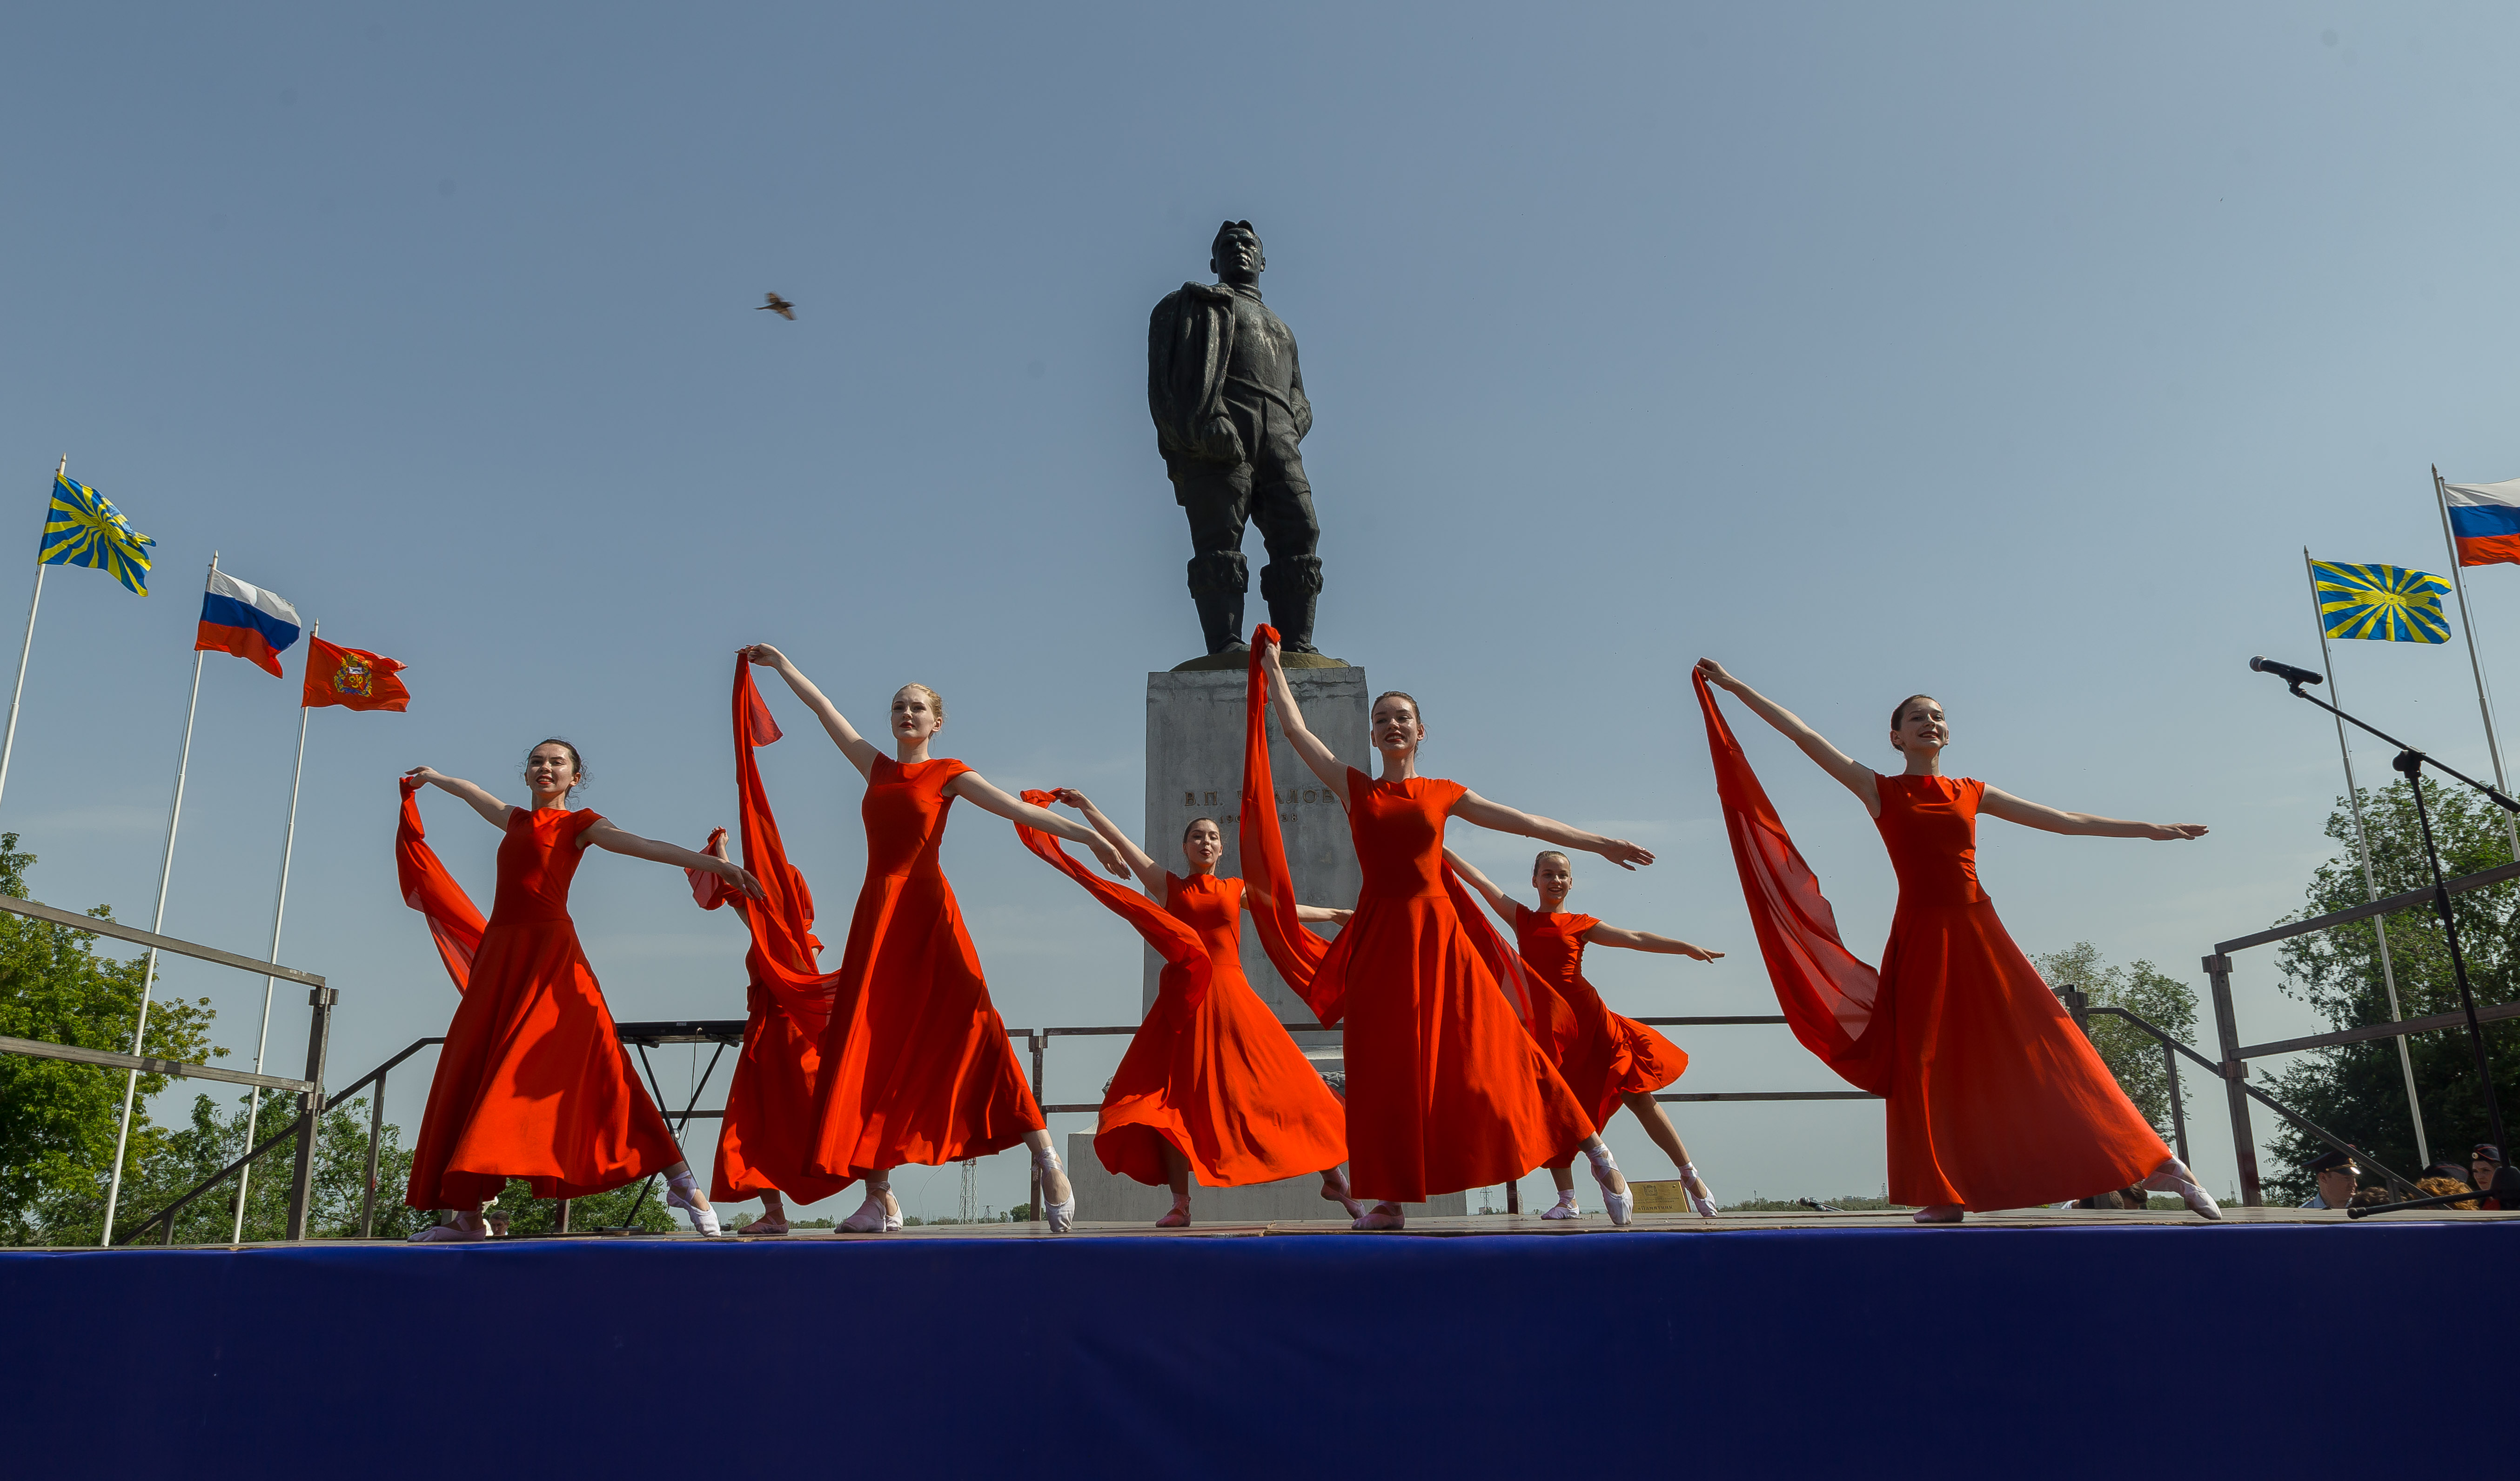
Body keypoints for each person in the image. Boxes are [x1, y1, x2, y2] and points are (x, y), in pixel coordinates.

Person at [1692, 662, 2221, 1223]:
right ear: (1896, 736)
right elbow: (1803, 736)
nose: (1930, 722)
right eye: (1917, 717)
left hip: (1976, 930)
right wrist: (1733, 686)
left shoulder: (1971, 791)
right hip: (1921, 936)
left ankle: (2159, 1164)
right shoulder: (1881, 789)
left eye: (1938, 716)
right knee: (1923, 1062)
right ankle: (1944, 1191)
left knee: (2050, 1040)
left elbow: (2062, 820)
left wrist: (2148, 829)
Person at [1253, 632, 1648, 1229]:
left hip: (1439, 935)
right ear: (1373, 732)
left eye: (1402, 718)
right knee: (1383, 1066)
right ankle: (1389, 1200)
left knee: (1500, 1050)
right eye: (1382, 718)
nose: (1392, 725)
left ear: (1420, 732)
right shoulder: (1356, 787)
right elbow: (1295, 731)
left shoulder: (1443, 793)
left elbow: (1523, 821)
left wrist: (1597, 841)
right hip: (1382, 939)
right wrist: (1275, 668)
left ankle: (1595, 1151)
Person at [743, 644, 1130, 1234]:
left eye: (917, 708)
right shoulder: (875, 767)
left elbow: (1015, 812)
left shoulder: (947, 773)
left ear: (936, 722)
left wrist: (1089, 839)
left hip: (927, 912)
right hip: (877, 914)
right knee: (865, 1043)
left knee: (978, 1027)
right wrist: (783, 665)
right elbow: (824, 710)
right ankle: (880, 1196)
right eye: (899, 706)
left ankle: (1047, 1159)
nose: (906, 714)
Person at [400, 740, 763, 1241]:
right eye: (537, 761)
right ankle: (466, 1216)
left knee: (601, 1066)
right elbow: (472, 793)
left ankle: (679, 1179)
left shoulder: (579, 824)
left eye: (557, 763)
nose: (545, 768)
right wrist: (435, 777)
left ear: (574, 778)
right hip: (502, 955)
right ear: (526, 773)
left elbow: (641, 844)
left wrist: (719, 868)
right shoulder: (514, 820)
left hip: (551, 955)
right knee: (477, 1064)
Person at [1029, 791, 1362, 1227]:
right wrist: (1089, 808)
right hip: (1184, 1005)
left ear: (1221, 850)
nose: (1205, 843)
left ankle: (1333, 1176)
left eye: (1212, 838)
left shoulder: (1234, 889)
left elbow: (1280, 912)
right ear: (1185, 848)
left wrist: (1334, 913)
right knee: (1168, 1103)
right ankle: (1180, 1203)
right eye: (1197, 837)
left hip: (1233, 1000)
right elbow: (1124, 846)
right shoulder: (1170, 886)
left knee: (1287, 1085)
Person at [1445, 847, 1727, 1220]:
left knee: (1638, 1096)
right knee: (1555, 1107)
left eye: (1562, 875)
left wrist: (1684, 948)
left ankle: (1690, 1176)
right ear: (1535, 881)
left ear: (1572, 883)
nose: (1556, 880)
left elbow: (1635, 938)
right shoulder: (1523, 919)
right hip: (1550, 1030)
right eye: (1548, 874)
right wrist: (1438, 847)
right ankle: (1568, 1199)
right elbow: (1480, 883)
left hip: (1592, 1023)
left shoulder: (1581, 924)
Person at [1147, 221, 1325, 656]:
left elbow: (1299, 394)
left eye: (1248, 244)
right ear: (1214, 262)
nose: (1238, 249)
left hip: (1280, 435)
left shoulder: (1283, 329)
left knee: (1301, 529)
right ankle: (1225, 642)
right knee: (1219, 534)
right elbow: (1172, 378)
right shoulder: (1202, 306)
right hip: (1225, 428)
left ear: (1263, 261)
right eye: (1227, 245)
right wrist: (1208, 418)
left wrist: (1292, 424)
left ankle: (1297, 643)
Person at [2471, 1144, 2507, 1211]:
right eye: (2475, 1171)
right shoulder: (2477, 1205)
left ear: (2501, 1173)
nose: (2479, 1177)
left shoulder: (2514, 1202)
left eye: (2486, 1170)